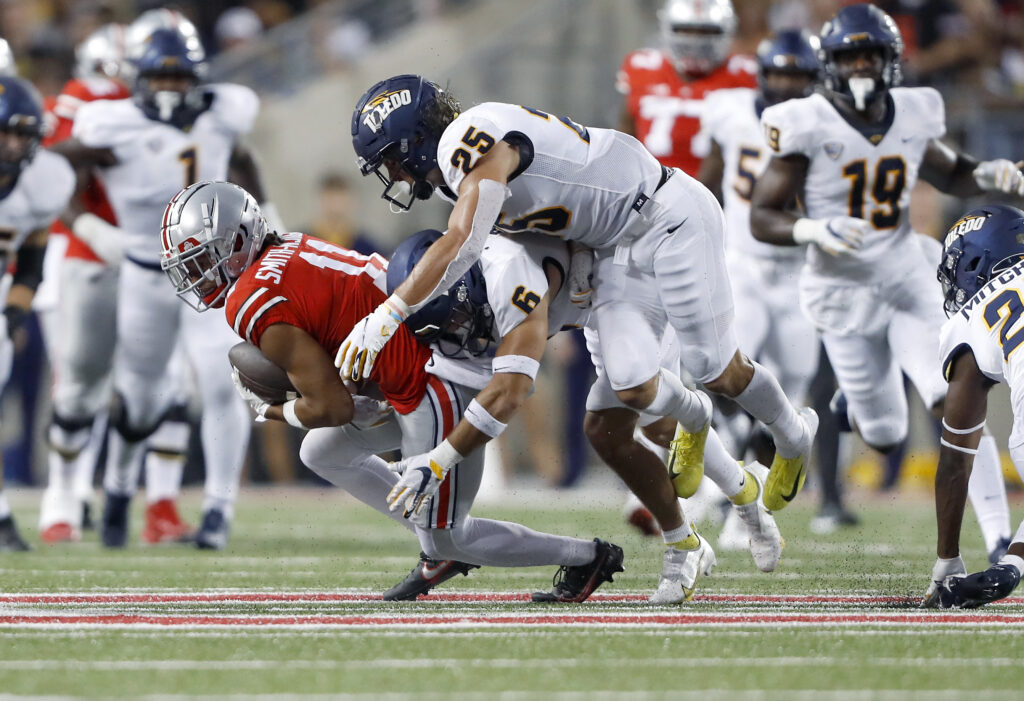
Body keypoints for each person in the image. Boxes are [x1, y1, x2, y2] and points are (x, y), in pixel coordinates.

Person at [342, 74, 813, 597]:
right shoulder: (477, 220)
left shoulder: (468, 158)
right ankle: (719, 522)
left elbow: (464, 248)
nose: (457, 332)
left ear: (409, 141)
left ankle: (792, 434)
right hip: (612, 257)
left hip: (662, 217)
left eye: (389, 159)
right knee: (618, 426)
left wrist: (390, 316)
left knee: (713, 372)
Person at [158, 180, 623, 603]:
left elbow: (332, 406)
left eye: (200, 258)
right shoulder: (286, 247)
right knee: (322, 453)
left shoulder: (251, 299)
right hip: (408, 366)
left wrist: (272, 410)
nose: (195, 275)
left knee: (451, 535)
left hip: (434, 377)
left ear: (237, 244)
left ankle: (586, 556)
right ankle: (433, 536)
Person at [750, 3, 1015, 559]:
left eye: (873, 54)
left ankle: (996, 537)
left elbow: (946, 170)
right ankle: (855, 406)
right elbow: (762, 214)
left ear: (892, 59)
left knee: (953, 397)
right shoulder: (806, 121)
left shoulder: (912, 112)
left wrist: (982, 174)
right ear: (832, 64)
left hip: (904, 272)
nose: (863, 66)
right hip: (840, 291)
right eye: (851, 56)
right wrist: (810, 227)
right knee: (886, 433)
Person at [52, 26, 280, 549]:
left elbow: (239, 159)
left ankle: (218, 512)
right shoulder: (113, 125)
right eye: (160, 75)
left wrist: (267, 216)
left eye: (179, 75)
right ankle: (117, 491)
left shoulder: (222, 114)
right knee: (139, 396)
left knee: (225, 383)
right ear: (139, 80)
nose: (171, 87)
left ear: (198, 78)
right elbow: (59, 164)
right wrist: (85, 225)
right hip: (145, 274)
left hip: (213, 277)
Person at [697, 29, 822, 545]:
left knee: (789, 400)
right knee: (725, 370)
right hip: (742, 264)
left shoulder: (824, 124)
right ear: (762, 75)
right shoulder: (727, 111)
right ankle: (729, 453)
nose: (788, 84)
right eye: (780, 73)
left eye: (798, 75)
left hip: (800, 273)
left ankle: (743, 507)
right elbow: (707, 180)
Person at [923, 204, 1024, 608]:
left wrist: (947, 559)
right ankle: (1012, 562)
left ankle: (1011, 566)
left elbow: (956, 458)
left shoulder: (973, 313)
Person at [0, 75, 76, 551]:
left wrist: (11, 319)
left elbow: (31, 260)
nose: (12, 144)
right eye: (4, 132)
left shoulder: (43, 182)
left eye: (21, 134)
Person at [617, 0, 756, 177]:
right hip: (647, 183)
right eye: (685, 30)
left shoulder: (747, 74)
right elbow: (625, 136)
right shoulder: (641, 66)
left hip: (716, 189)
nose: (695, 41)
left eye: (706, 31)